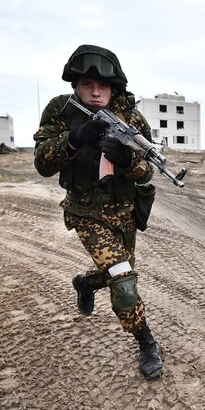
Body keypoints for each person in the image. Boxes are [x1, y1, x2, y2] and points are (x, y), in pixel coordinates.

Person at [33, 44, 163, 379]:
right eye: (87, 84)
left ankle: (86, 283)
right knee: (123, 279)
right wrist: (75, 139)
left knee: (119, 272)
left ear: (114, 88)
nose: (94, 92)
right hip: (85, 210)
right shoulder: (60, 111)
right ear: (75, 84)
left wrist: (127, 162)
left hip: (124, 211)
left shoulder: (131, 119)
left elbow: (147, 172)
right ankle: (146, 341)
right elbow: (42, 164)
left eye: (102, 86)